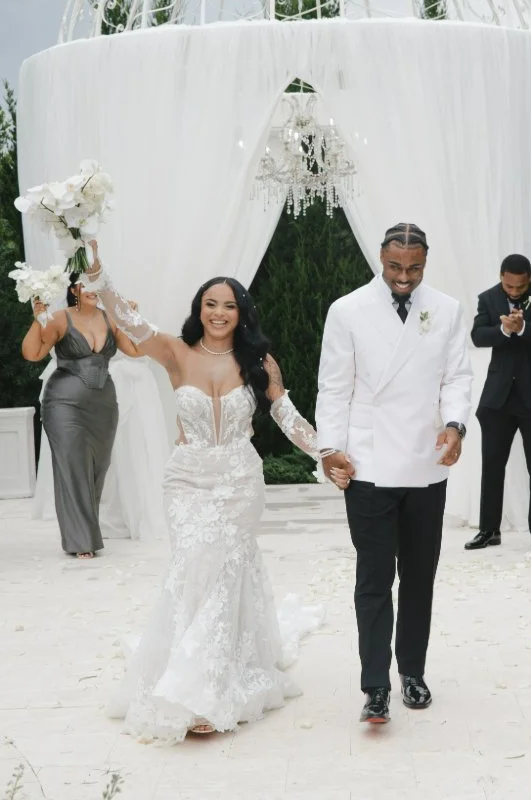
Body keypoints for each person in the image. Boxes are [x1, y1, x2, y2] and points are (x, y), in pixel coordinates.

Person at [81, 242, 338, 744]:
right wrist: (97, 273)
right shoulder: (175, 352)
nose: (219, 313)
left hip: (239, 480)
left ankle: (207, 688)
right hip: (187, 480)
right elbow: (128, 321)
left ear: (242, 313)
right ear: (199, 310)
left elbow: (285, 414)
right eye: (210, 304)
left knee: (223, 570)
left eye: (229, 305)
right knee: (195, 566)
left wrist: (325, 452)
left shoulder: (258, 361)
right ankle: (188, 671)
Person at [316, 223, 472, 724]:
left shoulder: (447, 309)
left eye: (414, 268)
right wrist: (330, 449)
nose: (403, 277)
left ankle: (413, 672)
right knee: (375, 577)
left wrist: (455, 425)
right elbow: (333, 388)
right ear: (380, 259)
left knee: (419, 577)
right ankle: (375, 686)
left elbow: (457, 377)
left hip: (426, 460)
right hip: (368, 462)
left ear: (426, 262)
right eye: (394, 267)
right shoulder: (347, 310)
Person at [21, 272, 138, 559]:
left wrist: (131, 320)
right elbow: (32, 354)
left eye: (96, 284)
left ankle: (84, 531)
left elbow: (135, 350)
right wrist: (38, 320)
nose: (92, 289)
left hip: (103, 405)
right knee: (73, 467)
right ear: (73, 289)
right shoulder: (60, 318)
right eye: (85, 284)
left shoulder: (110, 318)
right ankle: (81, 541)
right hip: (64, 404)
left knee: (97, 468)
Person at [466, 254, 531, 553]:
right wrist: (504, 330)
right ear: (501, 278)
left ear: (529, 280)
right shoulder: (488, 298)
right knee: (492, 465)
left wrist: (523, 329)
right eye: (509, 286)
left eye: (520, 287)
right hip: (498, 397)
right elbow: (478, 336)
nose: (514, 291)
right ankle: (488, 530)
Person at [33, 352, 169, 542]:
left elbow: (136, 350)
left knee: (106, 459)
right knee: (77, 458)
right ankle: (81, 530)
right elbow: (35, 352)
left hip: (111, 383)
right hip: (73, 389)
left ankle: (93, 521)